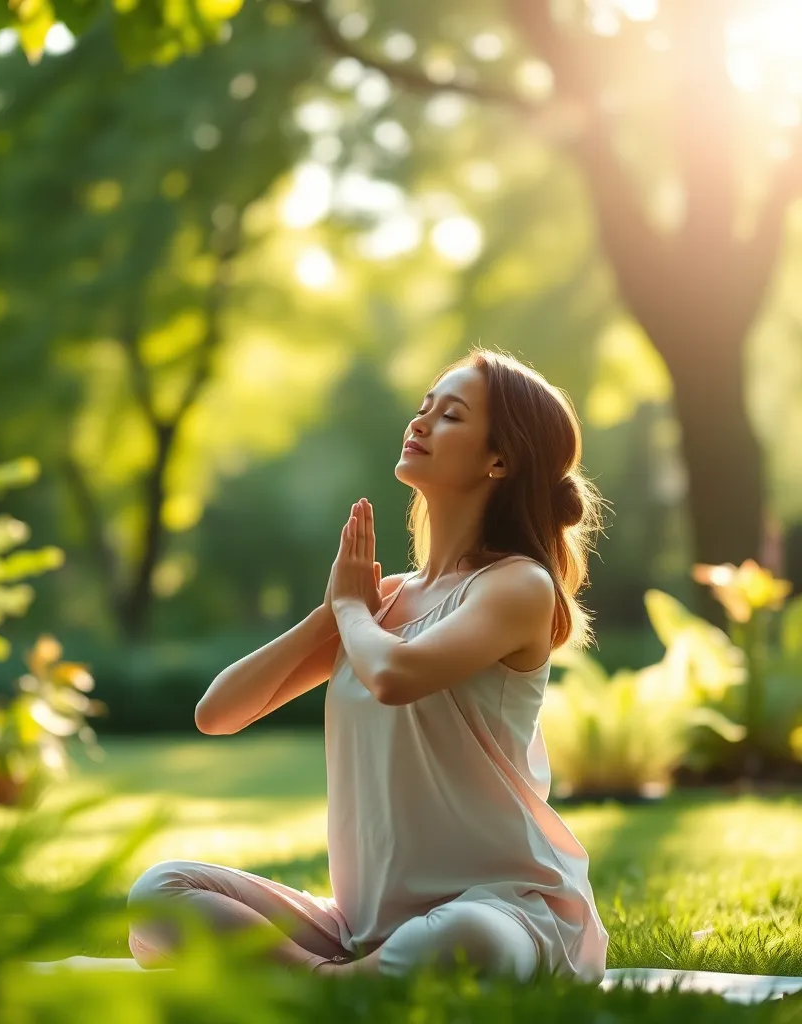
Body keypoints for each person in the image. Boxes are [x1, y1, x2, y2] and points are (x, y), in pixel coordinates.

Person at [126, 348, 610, 983]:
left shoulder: (518, 586)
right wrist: (330, 615)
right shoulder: (376, 604)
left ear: (501, 459)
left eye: (451, 416)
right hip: (359, 928)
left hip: (504, 909)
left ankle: (312, 983)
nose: (421, 423)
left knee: (470, 940)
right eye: (423, 409)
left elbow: (394, 677)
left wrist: (352, 611)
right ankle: (339, 979)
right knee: (160, 892)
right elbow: (217, 714)